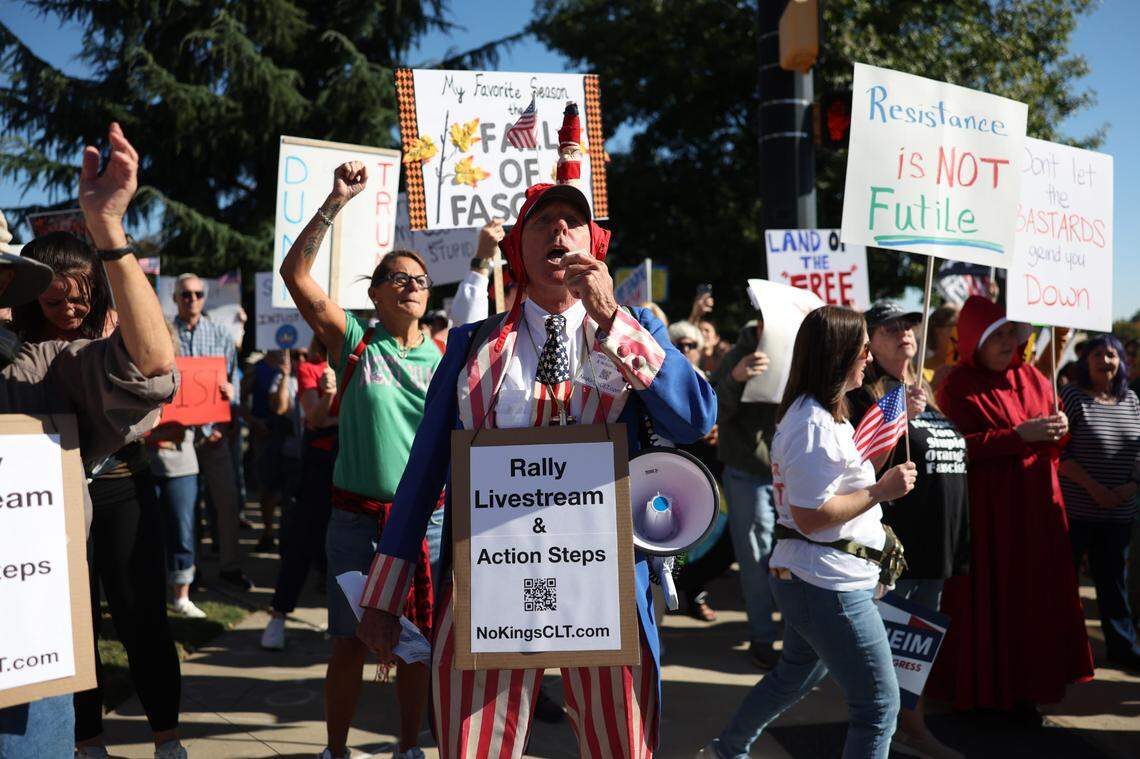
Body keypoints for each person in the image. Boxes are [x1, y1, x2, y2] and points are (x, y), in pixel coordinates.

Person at [356, 102, 716, 759]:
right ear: (518, 248)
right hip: (488, 581)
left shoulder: (638, 329)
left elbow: (695, 418)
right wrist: (384, 594)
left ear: (593, 244)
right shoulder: (468, 346)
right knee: (473, 747)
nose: (559, 231)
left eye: (573, 221)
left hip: (604, 584)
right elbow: (422, 475)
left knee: (623, 746)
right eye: (543, 221)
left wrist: (613, 318)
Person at [0, 123, 179, 758]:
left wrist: (107, 229)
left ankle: (156, 739)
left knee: (130, 621)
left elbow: (154, 367)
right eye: (52, 296)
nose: (66, 305)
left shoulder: (48, 364)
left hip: (105, 506)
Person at [701, 305, 916, 759]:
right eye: (861, 348)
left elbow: (829, 490)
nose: (868, 358)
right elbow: (811, 515)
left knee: (794, 674)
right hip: (830, 586)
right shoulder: (813, 423)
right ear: (838, 355)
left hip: (817, 580)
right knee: (878, 706)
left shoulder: (817, 415)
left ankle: (728, 749)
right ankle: (728, 748)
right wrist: (880, 490)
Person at [280, 163, 443, 759]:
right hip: (353, 521)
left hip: (423, 526)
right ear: (374, 294)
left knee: (415, 645)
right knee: (347, 644)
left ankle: (407, 748)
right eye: (397, 278)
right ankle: (336, 750)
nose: (411, 286)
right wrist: (335, 202)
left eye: (420, 279)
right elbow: (294, 273)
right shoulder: (354, 342)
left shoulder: (447, 360)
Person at [928, 295, 1094, 723]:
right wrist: (1017, 435)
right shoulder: (957, 385)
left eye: (1010, 333)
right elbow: (955, 447)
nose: (1007, 342)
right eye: (995, 335)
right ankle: (980, 696)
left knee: (1033, 602)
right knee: (990, 602)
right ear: (973, 341)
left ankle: (1027, 691)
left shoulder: (1037, 380)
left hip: (1036, 514)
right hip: (989, 518)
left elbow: (1051, 442)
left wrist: (1059, 431)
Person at [847, 303, 970, 759]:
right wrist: (894, 411)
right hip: (896, 546)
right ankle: (905, 728)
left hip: (934, 542)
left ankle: (901, 725)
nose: (904, 334)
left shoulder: (925, 388)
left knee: (914, 647)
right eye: (891, 327)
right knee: (894, 649)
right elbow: (859, 464)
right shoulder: (864, 393)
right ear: (870, 342)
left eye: (909, 327)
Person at [1058, 335, 1140, 669]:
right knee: (1065, 584)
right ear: (1085, 361)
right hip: (1077, 510)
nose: (1104, 361)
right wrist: (1094, 489)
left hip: (1120, 512)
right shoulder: (1072, 396)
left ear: (1120, 361)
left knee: (1114, 584)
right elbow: (1060, 453)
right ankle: (1062, 648)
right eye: (1097, 354)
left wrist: (1129, 487)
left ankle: (1123, 647)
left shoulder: (1133, 400)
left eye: (1111, 355)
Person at [171, 272, 251, 590]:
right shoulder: (165, 335)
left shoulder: (220, 335)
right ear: (175, 298)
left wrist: (227, 411)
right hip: (178, 435)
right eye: (186, 294)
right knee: (186, 507)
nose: (192, 299)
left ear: (204, 298)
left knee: (227, 502)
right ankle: (192, 570)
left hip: (215, 432)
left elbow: (234, 383)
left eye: (198, 294)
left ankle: (230, 566)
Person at [711, 313, 782, 667]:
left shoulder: (795, 351)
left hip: (790, 475)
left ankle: (787, 634)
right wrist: (736, 378)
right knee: (756, 560)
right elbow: (710, 410)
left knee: (789, 560)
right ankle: (763, 637)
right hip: (748, 473)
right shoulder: (735, 356)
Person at [262, 337, 339, 650]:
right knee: (301, 542)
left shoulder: (365, 368)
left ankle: (342, 623)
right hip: (319, 470)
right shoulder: (312, 368)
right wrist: (331, 396)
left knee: (348, 549)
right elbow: (314, 419)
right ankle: (278, 616)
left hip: (356, 466)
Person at [668, 320, 733, 621]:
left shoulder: (711, 382)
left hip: (712, 474)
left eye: (690, 345)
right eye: (678, 344)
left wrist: (719, 429)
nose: (684, 349)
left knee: (717, 541)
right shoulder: (662, 382)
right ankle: (682, 592)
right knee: (678, 538)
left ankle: (694, 588)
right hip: (675, 472)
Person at [147, 327, 203, 618]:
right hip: (145, 465)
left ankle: (181, 596)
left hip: (182, 467)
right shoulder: (134, 374)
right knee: (148, 534)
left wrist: (222, 398)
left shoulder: (191, 375)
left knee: (181, 531)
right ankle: (151, 595)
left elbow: (204, 415)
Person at [923, 304, 959, 391]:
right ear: (938, 331)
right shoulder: (921, 369)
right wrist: (933, 386)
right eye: (956, 325)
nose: (961, 330)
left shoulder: (968, 365)